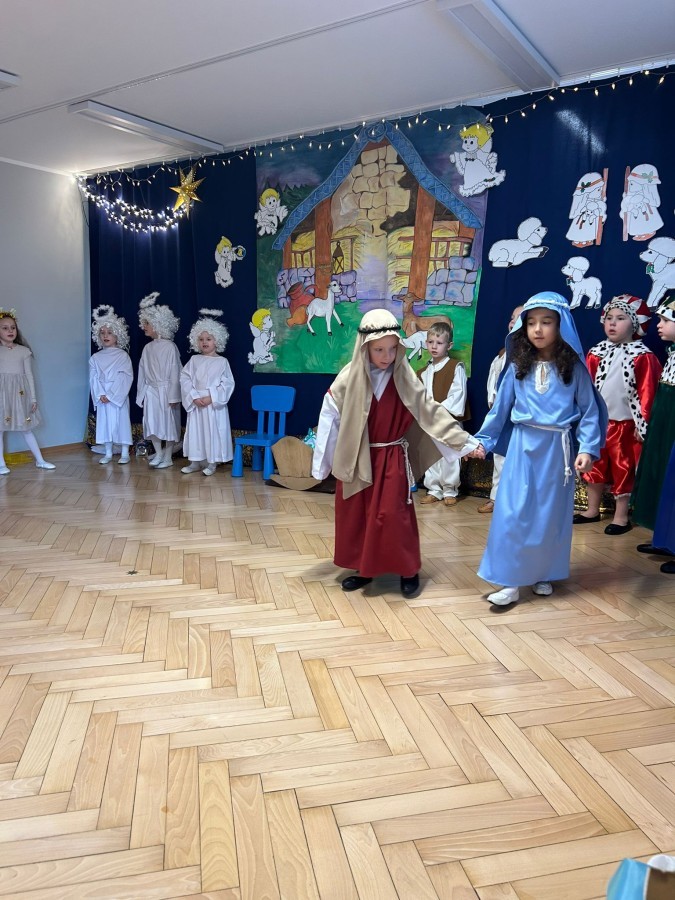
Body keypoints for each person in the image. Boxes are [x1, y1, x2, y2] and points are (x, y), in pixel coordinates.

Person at [311, 308, 480, 598]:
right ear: (364, 346)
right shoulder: (348, 378)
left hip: (391, 458)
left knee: (394, 514)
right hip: (358, 457)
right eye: (379, 350)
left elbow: (429, 412)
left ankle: (407, 569)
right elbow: (330, 420)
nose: (387, 356)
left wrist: (463, 442)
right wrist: (322, 466)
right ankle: (365, 568)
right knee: (360, 514)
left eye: (392, 349)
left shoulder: (403, 376)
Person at [472, 292, 607, 609]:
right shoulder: (517, 365)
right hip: (522, 447)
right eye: (531, 322)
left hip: (557, 452)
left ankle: (543, 572)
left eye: (546, 322)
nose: (537, 329)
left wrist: (587, 448)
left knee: (549, 516)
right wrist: (484, 440)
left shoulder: (574, 368)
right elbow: (500, 410)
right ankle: (509, 580)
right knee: (513, 512)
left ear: (561, 326)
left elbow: (589, 411)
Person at [574, 295, 661, 534]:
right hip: (599, 424)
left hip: (626, 426)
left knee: (624, 468)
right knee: (594, 465)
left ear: (635, 324)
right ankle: (592, 509)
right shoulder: (596, 353)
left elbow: (648, 392)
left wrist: (643, 425)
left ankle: (621, 517)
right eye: (609, 318)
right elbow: (586, 387)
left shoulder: (643, 356)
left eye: (621, 318)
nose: (612, 323)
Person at [632, 295, 675, 564]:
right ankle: (665, 539)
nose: (659, 325)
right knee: (663, 479)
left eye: (665, 320)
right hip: (664, 427)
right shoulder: (672, 356)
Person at [477, 304, 524, 514]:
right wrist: (493, 402)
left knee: (520, 461)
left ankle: (515, 500)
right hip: (503, 417)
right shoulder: (503, 355)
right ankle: (496, 497)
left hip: (521, 418)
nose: (513, 321)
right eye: (512, 317)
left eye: (520, 318)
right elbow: (493, 382)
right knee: (500, 457)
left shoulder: (530, 357)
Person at [418, 320, 469, 507]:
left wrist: (437, 411)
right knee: (431, 456)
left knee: (450, 456)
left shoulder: (456, 367)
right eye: (431, 342)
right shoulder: (423, 372)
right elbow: (419, 398)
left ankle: (450, 490)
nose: (434, 346)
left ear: (449, 345)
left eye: (439, 343)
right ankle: (434, 489)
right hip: (430, 422)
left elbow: (458, 395)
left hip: (448, 420)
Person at [0, 307, 56, 474]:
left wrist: (33, 399)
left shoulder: (23, 351)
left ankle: (40, 460)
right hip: (2, 395)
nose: (10, 331)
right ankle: (1, 464)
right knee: (0, 429)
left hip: (19, 395)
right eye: (5, 328)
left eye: (13, 327)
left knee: (26, 428)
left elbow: (29, 375)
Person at [180, 308, 235, 477]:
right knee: (196, 432)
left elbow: (228, 384)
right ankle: (195, 461)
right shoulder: (194, 360)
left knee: (212, 432)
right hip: (197, 403)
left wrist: (212, 397)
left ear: (217, 341)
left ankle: (212, 462)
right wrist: (194, 396)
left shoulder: (222, 362)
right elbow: (185, 378)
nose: (204, 342)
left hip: (212, 404)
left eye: (208, 339)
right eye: (201, 339)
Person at [137, 292, 182, 469]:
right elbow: (142, 372)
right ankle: (159, 453)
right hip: (151, 391)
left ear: (158, 324)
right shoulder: (147, 348)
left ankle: (168, 456)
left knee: (168, 424)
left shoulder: (170, 347)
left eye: (147, 323)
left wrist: (174, 396)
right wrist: (142, 393)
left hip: (166, 391)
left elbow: (175, 372)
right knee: (152, 422)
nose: (144, 326)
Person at [89, 305, 133, 464]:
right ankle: (108, 452)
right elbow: (93, 378)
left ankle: (125, 452)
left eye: (109, 332)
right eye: (102, 333)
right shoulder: (95, 357)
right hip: (102, 396)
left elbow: (125, 377)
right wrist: (101, 394)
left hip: (117, 395)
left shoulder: (122, 356)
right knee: (105, 423)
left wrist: (112, 395)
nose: (105, 336)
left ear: (117, 335)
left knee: (121, 422)